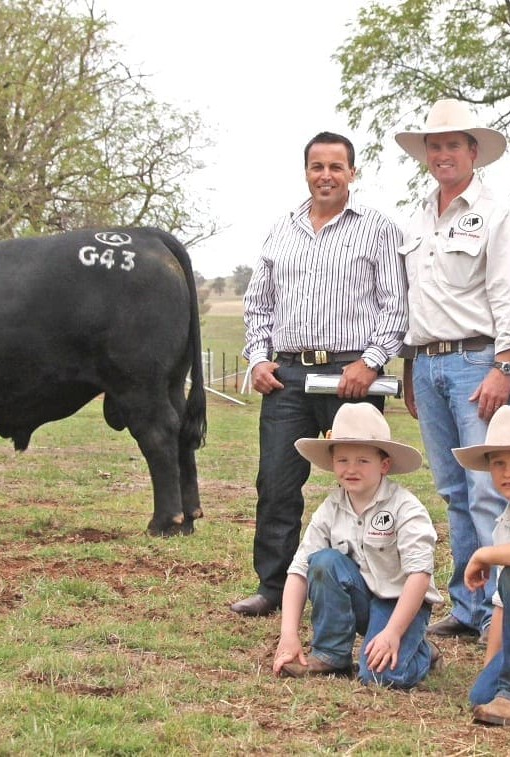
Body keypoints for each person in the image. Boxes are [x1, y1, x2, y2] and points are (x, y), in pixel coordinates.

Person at [232, 131, 407, 617]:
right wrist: (258, 357)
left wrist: (371, 361)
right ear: (305, 172)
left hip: (351, 373)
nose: (325, 175)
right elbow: (259, 306)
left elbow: (395, 305)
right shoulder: (281, 230)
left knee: (361, 482)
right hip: (287, 375)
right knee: (277, 482)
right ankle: (273, 587)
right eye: (317, 167)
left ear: (353, 172)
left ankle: (366, 587)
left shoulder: (377, 228)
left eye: (336, 167)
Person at [395, 99, 510, 642]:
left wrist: (504, 365)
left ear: (473, 152)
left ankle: (497, 610)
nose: (442, 153)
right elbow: (414, 297)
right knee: (451, 490)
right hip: (428, 362)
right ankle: (468, 606)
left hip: (476, 361)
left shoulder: (496, 210)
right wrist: (410, 363)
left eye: (452, 145)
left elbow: (505, 292)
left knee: (487, 488)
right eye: (434, 145)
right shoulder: (416, 215)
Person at [272, 402, 443, 688]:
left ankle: (423, 652)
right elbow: (299, 571)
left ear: (384, 465)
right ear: (332, 463)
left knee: (380, 677)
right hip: (361, 595)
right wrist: (288, 634)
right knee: (323, 562)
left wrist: (392, 633)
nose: (351, 469)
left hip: (401, 603)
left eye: (363, 461)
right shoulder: (331, 507)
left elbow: (420, 576)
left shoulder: (407, 508)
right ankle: (331, 654)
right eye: (342, 460)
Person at [453, 405, 510, 725]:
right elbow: (503, 604)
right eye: (498, 463)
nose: (506, 472)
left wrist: (482, 555)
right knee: (481, 695)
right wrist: (493, 671)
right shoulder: (504, 522)